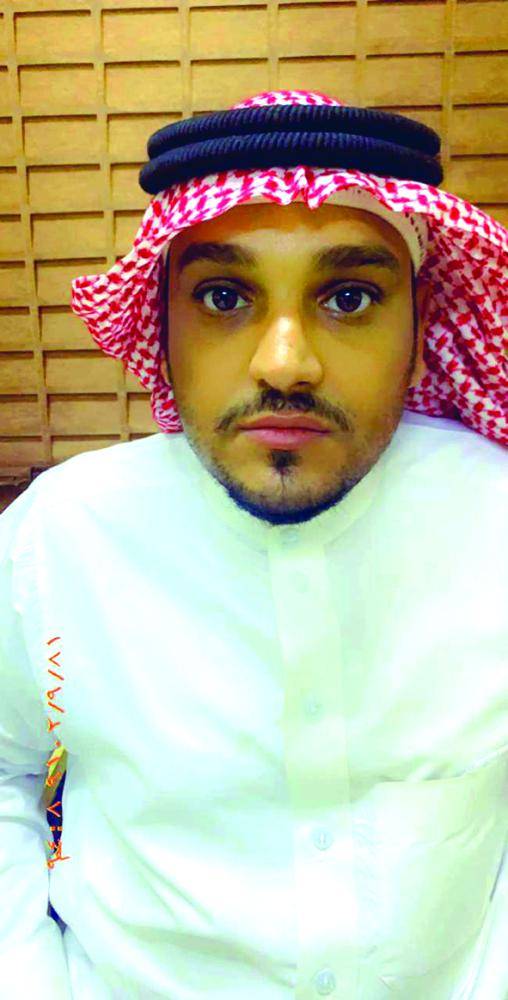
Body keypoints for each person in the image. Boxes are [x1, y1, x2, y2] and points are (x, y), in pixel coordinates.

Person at [0, 89, 506, 999]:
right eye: (224, 297)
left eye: (348, 297)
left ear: (421, 321)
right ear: (164, 324)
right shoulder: (59, 539)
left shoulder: (493, 516)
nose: (285, 363)